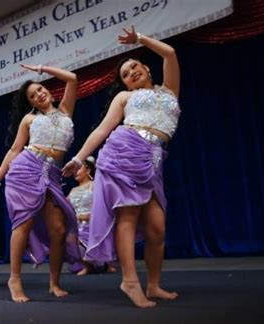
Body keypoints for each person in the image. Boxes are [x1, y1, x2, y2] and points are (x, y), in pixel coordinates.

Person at [63, 26, 180, 308]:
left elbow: (171, 53)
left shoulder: (169, 91)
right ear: (125, 85)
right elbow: (101, 130)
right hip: (124, 152)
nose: (132, 73)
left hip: (153, 160)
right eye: (126, 74)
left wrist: (140, 39)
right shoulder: (125, 98)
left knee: (157, 228)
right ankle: (130, 282)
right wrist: (79, 158)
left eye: (134, 67)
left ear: (147, 68)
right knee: (127, 217)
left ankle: (153, 285)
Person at [0, 64, 83, 303]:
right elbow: (14, 150)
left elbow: (72, 78)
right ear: (32, 104)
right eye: (33, 95)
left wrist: (40, 68)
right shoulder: (29, 119)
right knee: (23, 223)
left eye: (40, 89)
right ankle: (14, 279)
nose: (39, 94)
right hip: (26, 168)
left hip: (53, 174)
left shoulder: (65, 111)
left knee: (58, 229)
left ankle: (54, 283)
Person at [67, 156, 117, 275]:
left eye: (78, 169)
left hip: (94, 227)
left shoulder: (95, 185)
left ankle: (101, 262)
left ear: (88, 170)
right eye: (74, 170)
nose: (75, 172)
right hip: (78, 228)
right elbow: (65, 209)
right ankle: (86, 264)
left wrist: (90, 216)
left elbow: (105, 205)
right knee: (68, 239)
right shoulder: (73, 190)